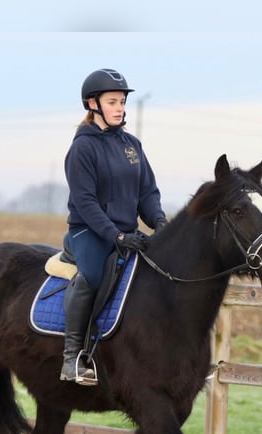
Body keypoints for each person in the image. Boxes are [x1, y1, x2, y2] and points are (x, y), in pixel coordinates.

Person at [60, 68, 167, 383]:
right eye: (113, 102)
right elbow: (86, 202)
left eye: (122, 101)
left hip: (126, 234)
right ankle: (72, 358)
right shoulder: (82, 148)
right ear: (92, 104)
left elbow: (147, 191)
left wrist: (159, 221)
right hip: (89, 231)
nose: (120, 108)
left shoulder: (132, 145)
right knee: (92, 275)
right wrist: (115, 234)